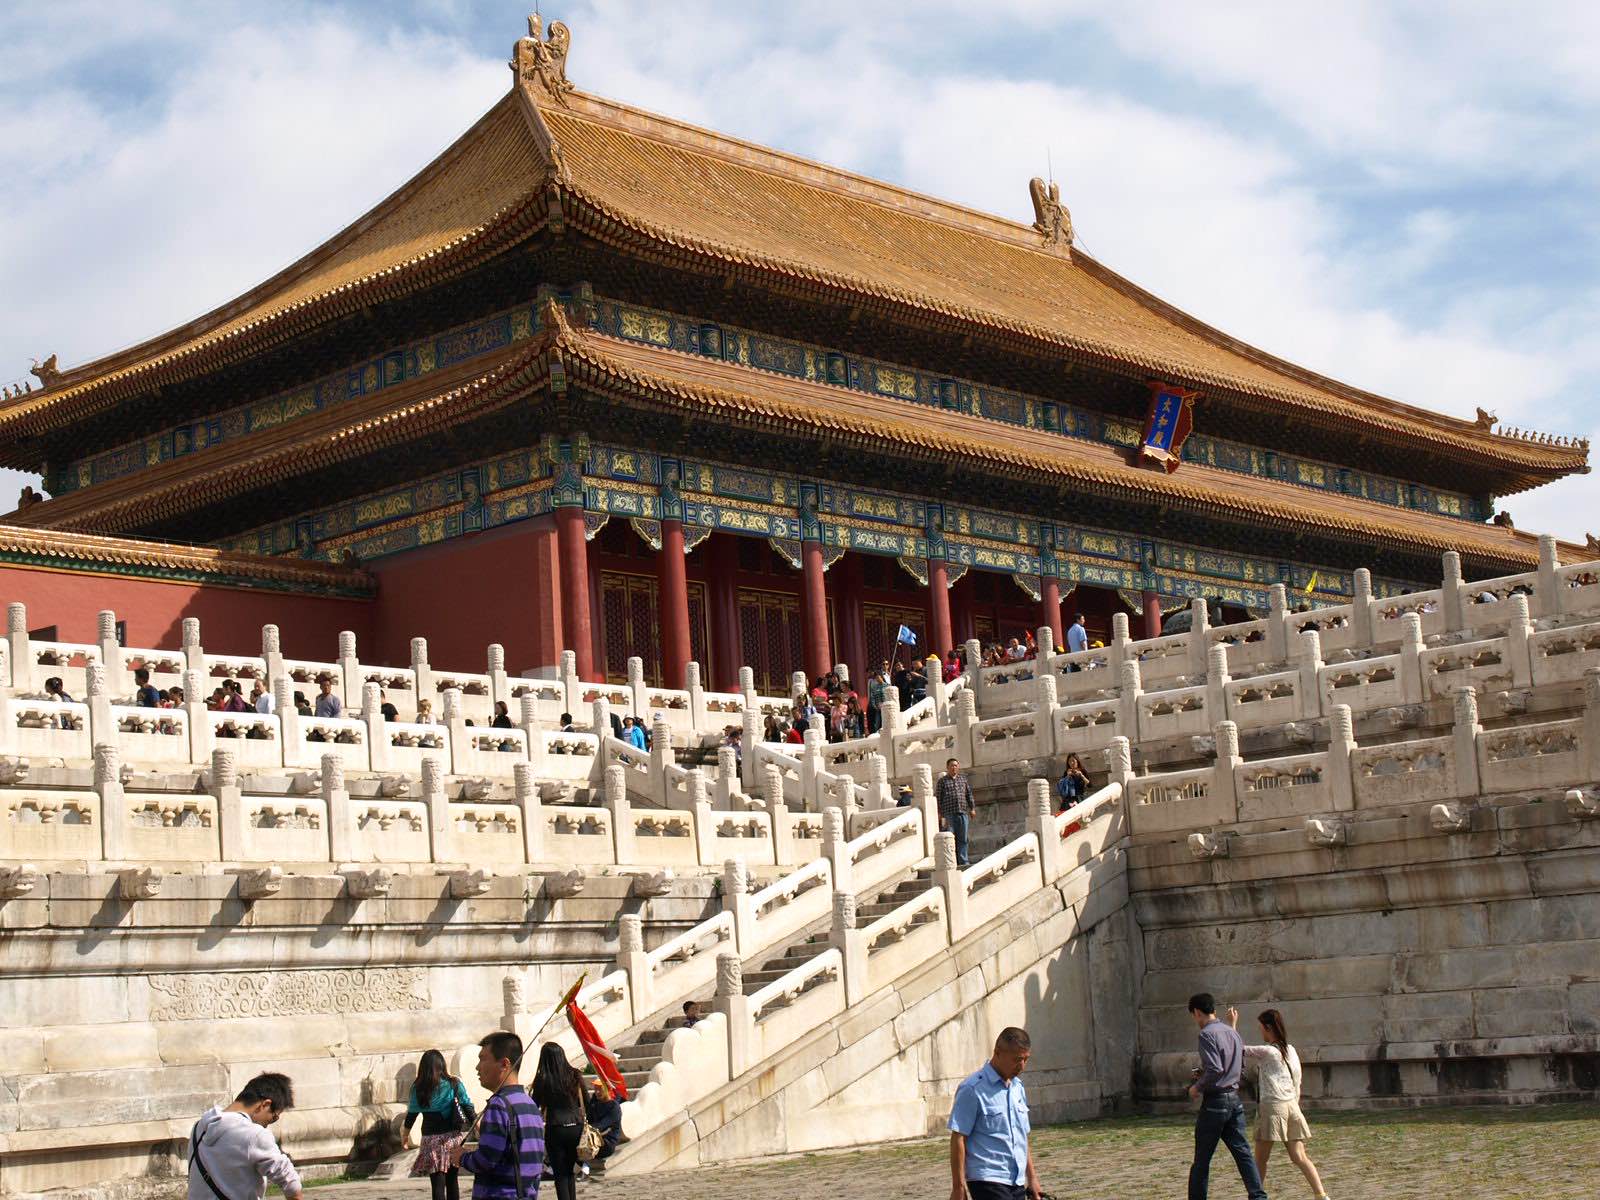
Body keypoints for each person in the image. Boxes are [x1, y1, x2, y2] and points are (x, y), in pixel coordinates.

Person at [1230, 1007, 1328, 1199]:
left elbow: (1236, 1048)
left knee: (1260, 1159)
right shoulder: (1291, 1050)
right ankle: (1321, 1195)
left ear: (1268, 1027)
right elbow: (1297, 1080)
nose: (1260, 1031)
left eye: (1261, 1027)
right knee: (1299, 1156)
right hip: (1291, 1105)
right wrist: (1294, 1103)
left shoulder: (1268, 1051)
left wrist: (1232, 1024)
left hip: (1273, 1107)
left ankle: (1256, 1197)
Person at [1186, 993, 1267, 1200]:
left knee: (1202, 1160)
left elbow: (1215, 1068)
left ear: (1197, 1012)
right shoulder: (1232, 1033)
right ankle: (1258, 1196)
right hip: (1234, 1099)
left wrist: (1197, 1086)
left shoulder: (1206, 1035)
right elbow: (1239, 1066)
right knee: (1243, 1154)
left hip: (1215, 1101)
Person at [948, 1027, 1042, 1200]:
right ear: (997, 1052)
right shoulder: (972, 1089)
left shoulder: (1018, 1088)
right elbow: (958, 1138)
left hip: (1016, 1180)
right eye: (1017, 1059)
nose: (1022, 1066)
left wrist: (1032, 1179)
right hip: (987, 1179)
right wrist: (958, 1187)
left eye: (1026, 1059)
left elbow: (1022, 1137)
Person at [452, 1032, 543, 1199]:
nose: (477, 1067)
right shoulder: (530, 1104)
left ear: (504, 1064)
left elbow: (486, 1160)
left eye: (483, 1059)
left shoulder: (499, 1105)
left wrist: (462, 1157)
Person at [188, 1072, 301, 1200]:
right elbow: (291, 1184)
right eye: (274, 1117)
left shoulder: (199, 1127)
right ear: (265, 1105)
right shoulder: (255, 1134)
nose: (267, 1125)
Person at [403, 1048, 475, 1200]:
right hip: (452, 1139)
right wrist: (479, 1127)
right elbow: (467, 1106)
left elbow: (411, 1115)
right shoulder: (454, 1084)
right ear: (442, 1065)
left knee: (437, 1184)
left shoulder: (417, 1088)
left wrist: (405, 1136)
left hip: (430, 1141)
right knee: (452, 1180)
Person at [530, 1043, 585, 1200]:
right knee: (571, 1172)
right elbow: (586, 1102)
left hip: (556, 1128)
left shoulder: (543, 1078)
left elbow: (534, 1105)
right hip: (576, 1127)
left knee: (560, 1175)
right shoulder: (575, 1074)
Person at [935, 757, 975, 868]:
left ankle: (963, 860)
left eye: (955, 765)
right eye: (951, 766)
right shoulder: (942, 781)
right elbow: (938, 798)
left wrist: (972, 808)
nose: (954, 767)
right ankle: (952, 861)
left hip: (962, 812)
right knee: (950, 838)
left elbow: (968, 794)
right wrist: (939, 813)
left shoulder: (963, 779)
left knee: (963, 838)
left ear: (958, 767)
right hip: (948, 814)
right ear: (947, 767)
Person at [583, 1079, 622, 1173]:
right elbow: (588, 1120)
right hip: (593, 1138)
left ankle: (584, 1168)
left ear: (607, 1089)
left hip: (607, 1142)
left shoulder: (614, 1106)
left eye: (600, 1089)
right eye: (595, 1089)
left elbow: (602, 1125)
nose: (597, 1092)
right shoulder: (595, 1104)